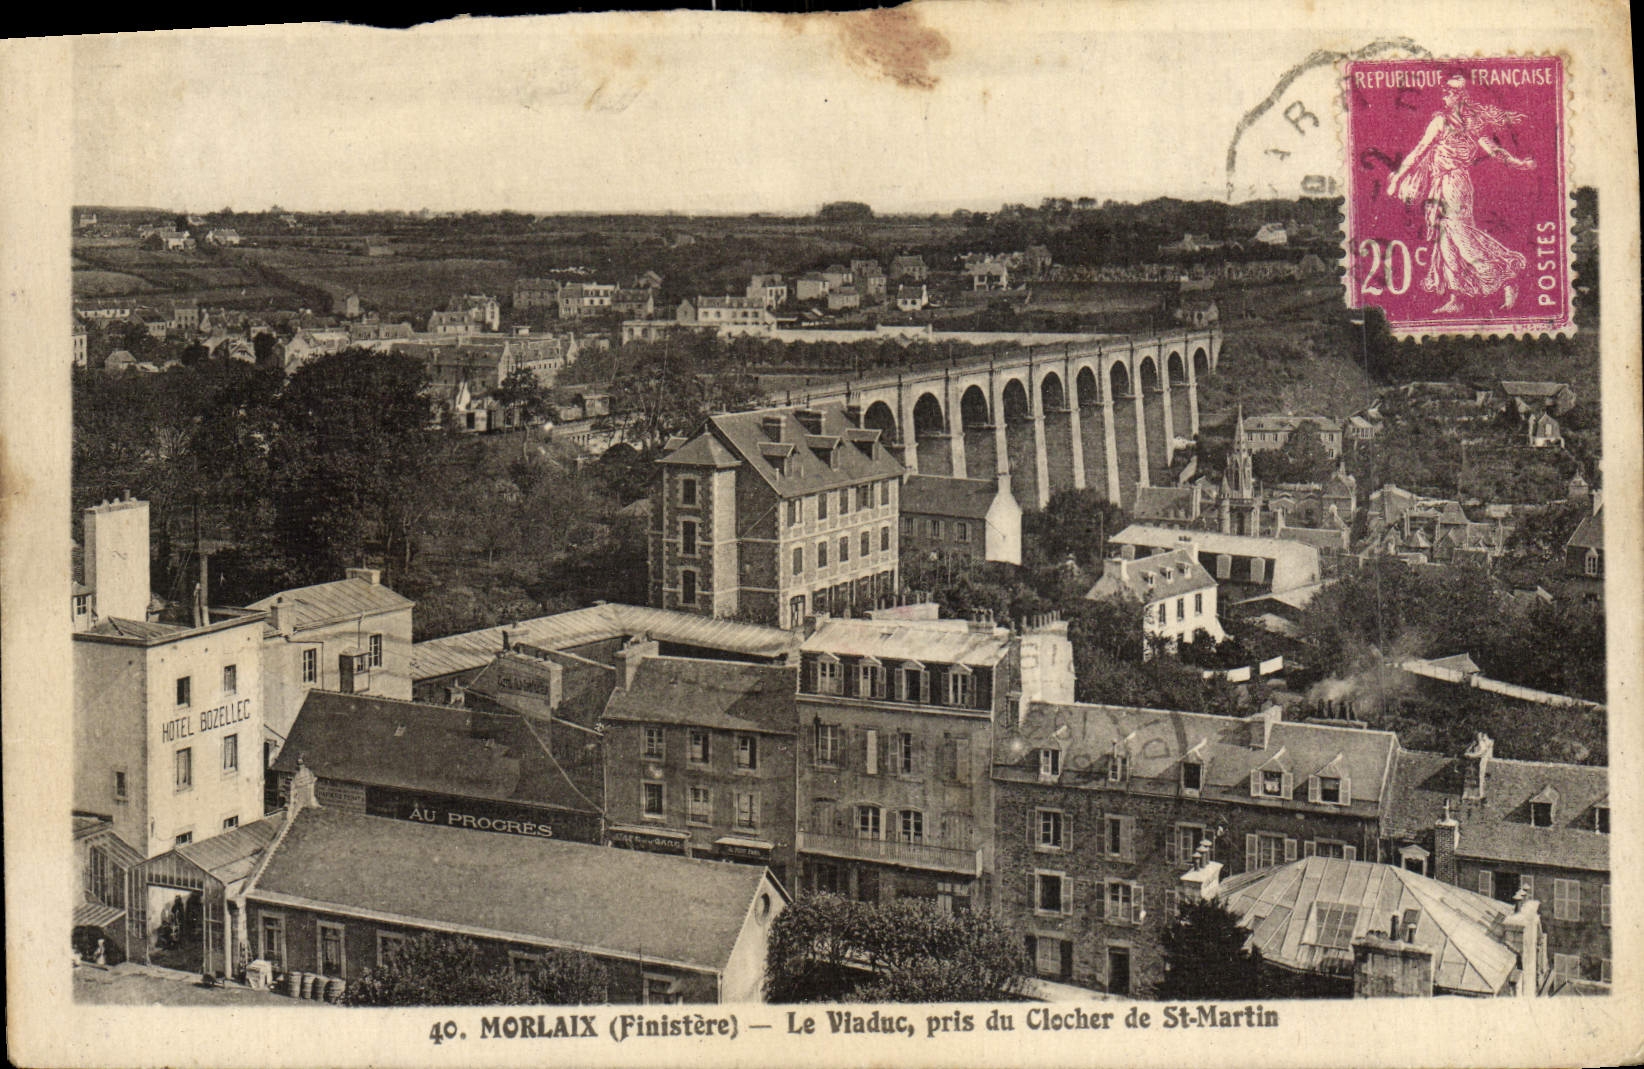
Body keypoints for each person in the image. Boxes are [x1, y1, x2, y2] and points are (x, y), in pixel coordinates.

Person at [1385, 74, 1536, 313]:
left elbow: (1493, 151)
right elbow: (1420, 152)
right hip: (1444, 184)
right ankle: (1457, 299)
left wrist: (1519, 164)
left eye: (1448, 92)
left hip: (1454, 184)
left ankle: (1507, 278)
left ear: (1459, 96)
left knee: (1461, 238)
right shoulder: (1453, 122)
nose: (1444, 96)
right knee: (1445, 242)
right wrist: (1398, 177)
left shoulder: (1454, 123)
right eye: (1444, 92)